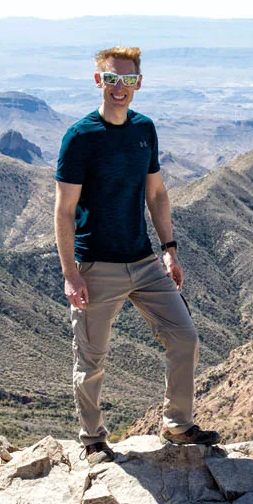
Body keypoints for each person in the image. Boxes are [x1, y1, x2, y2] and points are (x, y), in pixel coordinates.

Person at [54, 46, 219, 464]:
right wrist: (71, 273)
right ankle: (92, 439)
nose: (119, 88)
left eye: (127, 80)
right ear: (98, 81)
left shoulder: (144, 130)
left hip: (144, 261)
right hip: (96, 265)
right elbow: (64, 210)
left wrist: (169, 251)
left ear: (139, 84)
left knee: (184, 337)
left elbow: (157, 193)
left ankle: (177, 424)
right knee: (91, 360)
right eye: (112, 79)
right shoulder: (79, 137)